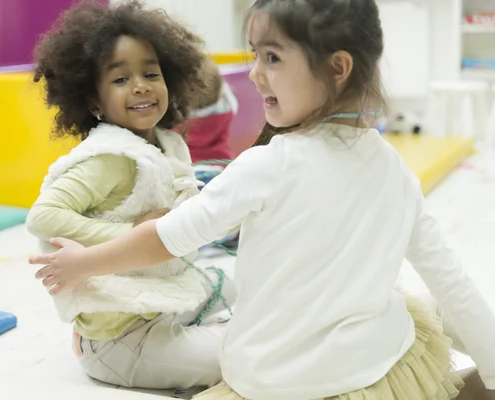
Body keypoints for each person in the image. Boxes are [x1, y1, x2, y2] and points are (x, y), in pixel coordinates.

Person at [29, 0, 495, 398]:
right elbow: (451, 281)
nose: (253, 74)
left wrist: (83, 265)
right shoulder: (394, 169)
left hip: (270, 379)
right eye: (256, 55)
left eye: (271, 58)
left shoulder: (266, 165)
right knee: (407, 304)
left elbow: (166, 238)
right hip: (370, 366)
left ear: (337, 67)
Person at [26, 0, 236, 391]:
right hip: (122, 341)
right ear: (92, 102)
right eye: (120, 79)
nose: (140, 85)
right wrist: (136, 235)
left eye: (151, 73)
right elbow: (43, 216)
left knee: (239, 283)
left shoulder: (166, 144)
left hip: (158, 302)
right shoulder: (109, 156)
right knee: (247, 356)